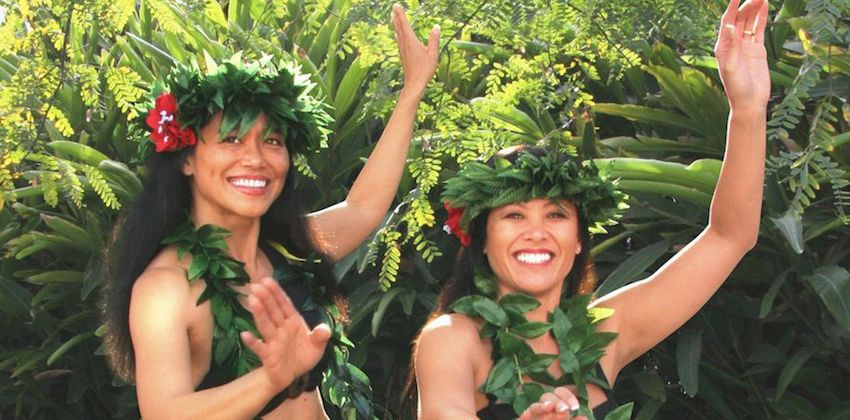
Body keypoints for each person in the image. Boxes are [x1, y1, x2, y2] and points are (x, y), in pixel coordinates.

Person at [413, 0, 769, 418]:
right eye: (514, 215)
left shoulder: (605, 331)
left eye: (556, 214)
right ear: (482, 239)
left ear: (579, 240)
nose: (537, 231)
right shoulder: (453, 340)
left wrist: (747, 110)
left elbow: (731, 236)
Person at [101, 5, 439, 419]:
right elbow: (166, 412)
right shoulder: (167, 288)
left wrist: (411, 92)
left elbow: (363, 206)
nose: (255, 159)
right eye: (232, 140)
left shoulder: (286, 249)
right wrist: (271, 378)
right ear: (185, 159)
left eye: (273, 142)